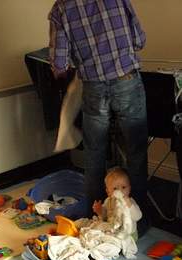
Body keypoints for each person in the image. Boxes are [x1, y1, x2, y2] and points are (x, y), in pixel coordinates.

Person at [48, 0, 149, 234]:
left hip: (93, 87)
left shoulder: (60, 8)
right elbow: (139, 40)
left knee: (94, 154)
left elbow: (59, 63)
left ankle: (96, 218)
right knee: (136, 153)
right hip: (126, 81)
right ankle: (138, 223)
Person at [93, 167, 142, 240]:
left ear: (129, 189)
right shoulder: (108, 201)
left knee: (123, 241)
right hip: (113, 230)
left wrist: (129, 204)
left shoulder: (130, 202)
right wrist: (99, 211)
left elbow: (138, 216)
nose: (120, 191)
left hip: (129, 234)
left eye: (123, 187)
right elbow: (105, 216)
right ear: (108, 192)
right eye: (115, 188)